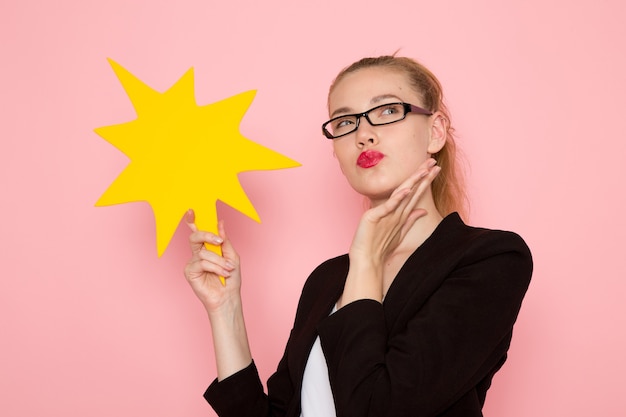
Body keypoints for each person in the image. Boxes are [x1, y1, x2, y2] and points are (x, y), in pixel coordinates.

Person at [183, 55, 533, 417]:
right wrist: (225, 309)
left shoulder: (491, 259)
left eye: (386, 111)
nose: (363, 134)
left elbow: (379, 408)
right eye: (346, 122)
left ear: (436, 131)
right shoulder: (327, 280)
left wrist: (365, 259)